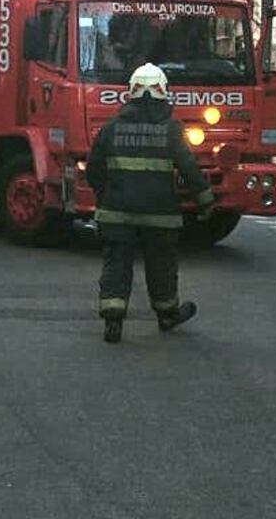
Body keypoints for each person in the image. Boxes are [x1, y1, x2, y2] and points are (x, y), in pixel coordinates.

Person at [86, 63, 215, 343]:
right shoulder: (171, 130)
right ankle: (167, 314)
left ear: (130, 93)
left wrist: (104, 195)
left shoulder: (111, 128)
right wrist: (205, 202)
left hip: (116, 212)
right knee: (161, 265)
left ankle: (113, 319)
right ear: (163, 93)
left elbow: (94, 169)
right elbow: (190, 169)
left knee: (116, 263)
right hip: (160, 217)